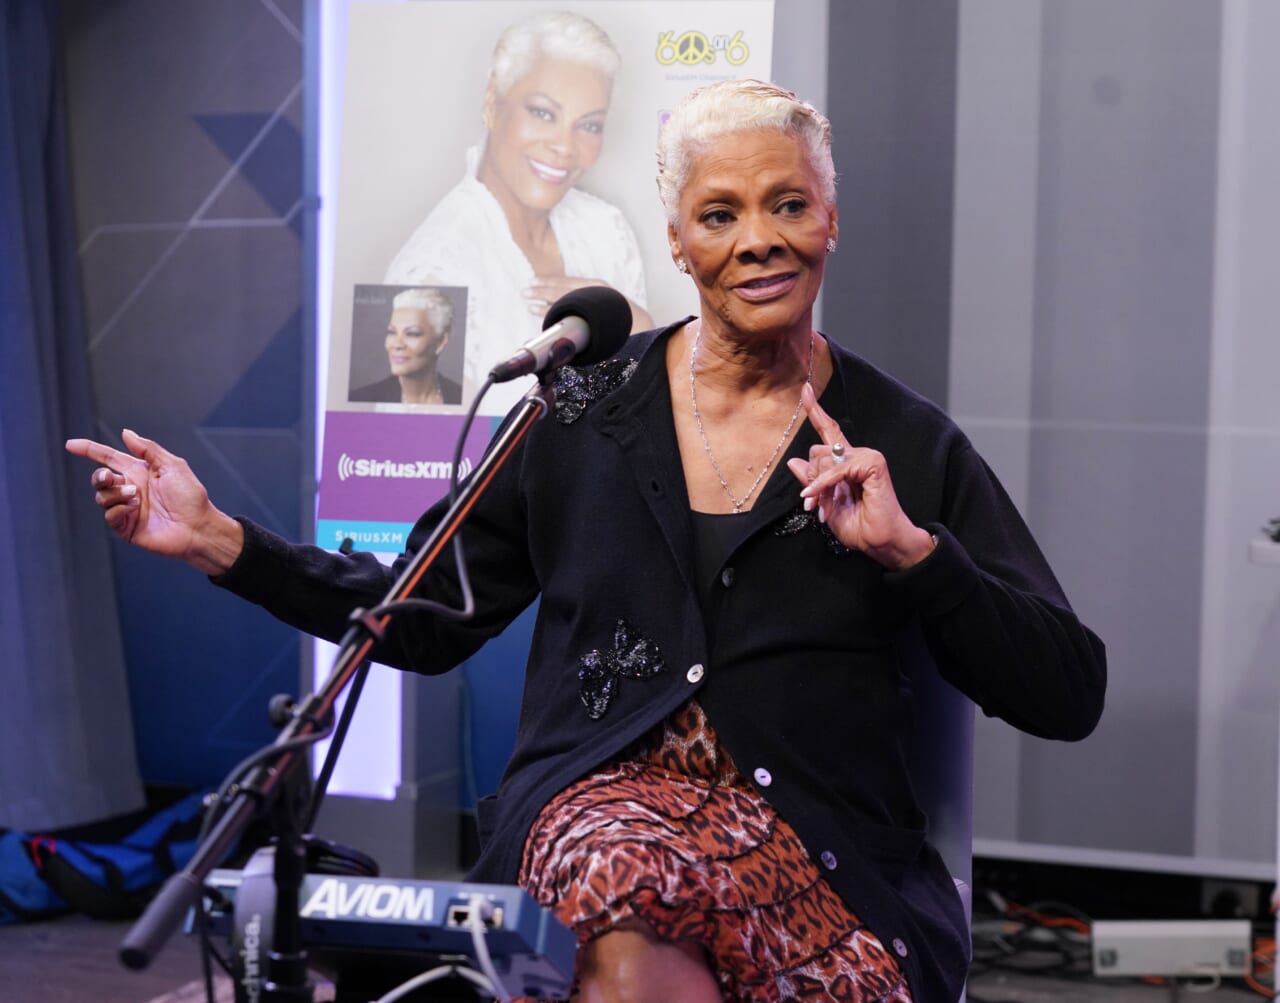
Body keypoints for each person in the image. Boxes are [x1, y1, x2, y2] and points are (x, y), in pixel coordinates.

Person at [67, 80, 1106, 1002]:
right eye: (719, 213)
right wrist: (218, 540)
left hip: (816, 854)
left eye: (787, 203)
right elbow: (420, 616)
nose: (757, 238)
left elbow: (1066, 691)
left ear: (830, 219)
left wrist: (917, 556)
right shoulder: (577, 410)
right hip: (594, 820)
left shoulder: (908, 445)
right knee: (622, 889)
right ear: (675, 241)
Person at [384, 10, 652, 415]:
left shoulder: (606, 230)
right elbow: (429, 455)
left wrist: (634, 320)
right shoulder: (432, 272)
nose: (564, 146)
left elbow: (648, 405)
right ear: (492, 102)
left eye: (589, 125)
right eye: (543, 113)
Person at [348, 287, 462, 405]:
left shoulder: (461, 398)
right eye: (392, 332)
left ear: (441, 341)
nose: (397, 344)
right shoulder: (362, 398)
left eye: (412, 334)